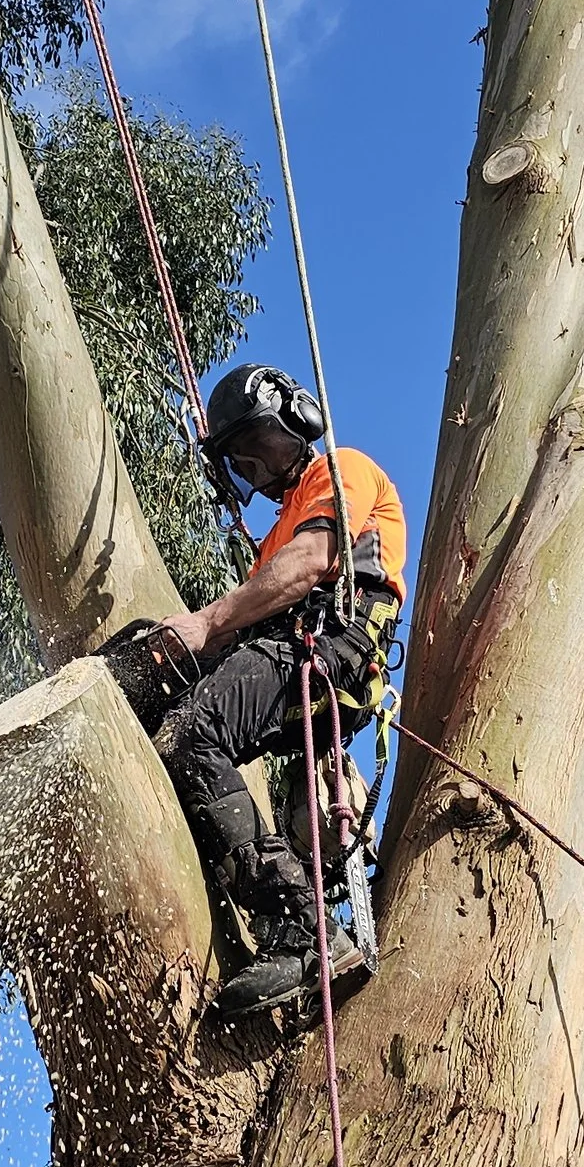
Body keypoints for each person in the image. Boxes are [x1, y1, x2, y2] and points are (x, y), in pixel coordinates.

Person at [161, 363, 406, 1018]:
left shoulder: (341, 469)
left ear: (296, 423)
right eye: (244, 463)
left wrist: (208, 621)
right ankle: (268, 915)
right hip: (293, 652)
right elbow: (246, 620)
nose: (260, 471)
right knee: (180, 736)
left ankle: (303, 934)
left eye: (261, 448)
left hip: (335, 647)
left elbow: (312, 562)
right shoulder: (273, 534)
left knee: (194, 731)